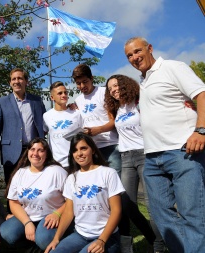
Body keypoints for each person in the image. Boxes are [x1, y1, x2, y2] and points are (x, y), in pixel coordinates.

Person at [124, 36, 205, 252]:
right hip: (151, 157)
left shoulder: (172, 67)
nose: (134, 57)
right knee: (161, 217)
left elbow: (201, 94)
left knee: (192, 215)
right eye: (129, 55)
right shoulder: (144, 81)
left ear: (150, 48)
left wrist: (201, 130)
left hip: (182, 152)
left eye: (137, 51)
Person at [104, 74, 164, 253]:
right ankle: (152, 237)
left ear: (125, 84)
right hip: (126, 157)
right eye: (110, 88)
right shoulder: (116, 109)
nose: (114, 90)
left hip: (145, 155)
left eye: (116, 85)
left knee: (152, 204)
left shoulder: (139, 102)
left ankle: (159, 246)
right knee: (127, 203)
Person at [45, 133, 125, 253]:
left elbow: (117, 211)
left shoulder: (108, 173)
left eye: (83, 148)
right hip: (80, 235)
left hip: (106, 237)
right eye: (75, 150)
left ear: (92, 150)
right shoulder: (71, 178)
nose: (79, 154)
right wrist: (56, 239)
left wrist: (102, 240)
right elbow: (68, 212)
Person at [0, 137, 69, 251]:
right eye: (32, 149)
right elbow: (13, 202)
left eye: (40, 150)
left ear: (46, 154)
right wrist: (27, 223)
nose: (35, 153)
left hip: (49, 217)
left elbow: (72, 200)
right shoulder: (20, 173)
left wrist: (57, 214)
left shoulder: (57, 172)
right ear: (28, 152)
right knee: (7, 232)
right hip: (29, 216)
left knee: (43, 239)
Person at [0, 68, 46, 184]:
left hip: (33, 151)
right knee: (12, 187)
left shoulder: (36, 101)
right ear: (10, 83)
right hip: (11, 152)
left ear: (26, 81)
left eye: (20, 78)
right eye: (13, 79)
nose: (16, 81)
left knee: (34, 184)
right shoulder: (2, 102)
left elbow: (46, 122)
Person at [72, 64, 121, 177]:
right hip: (92, 150)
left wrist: (98, 130)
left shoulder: (104, 92)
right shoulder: (78, 100)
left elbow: (114, 121)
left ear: (92, 78)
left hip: (111, 146)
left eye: (85, 81)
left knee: (116, 185)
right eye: (78, 83)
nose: (82, 86)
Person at [43, 81, 83, 170]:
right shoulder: (46, 116)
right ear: (52, 97)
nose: (64, 95)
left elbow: (84, 135)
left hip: (75, 161)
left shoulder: (76, 113)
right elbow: (43, 133)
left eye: (65, 92)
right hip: (56, 164)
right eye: (60, 93)